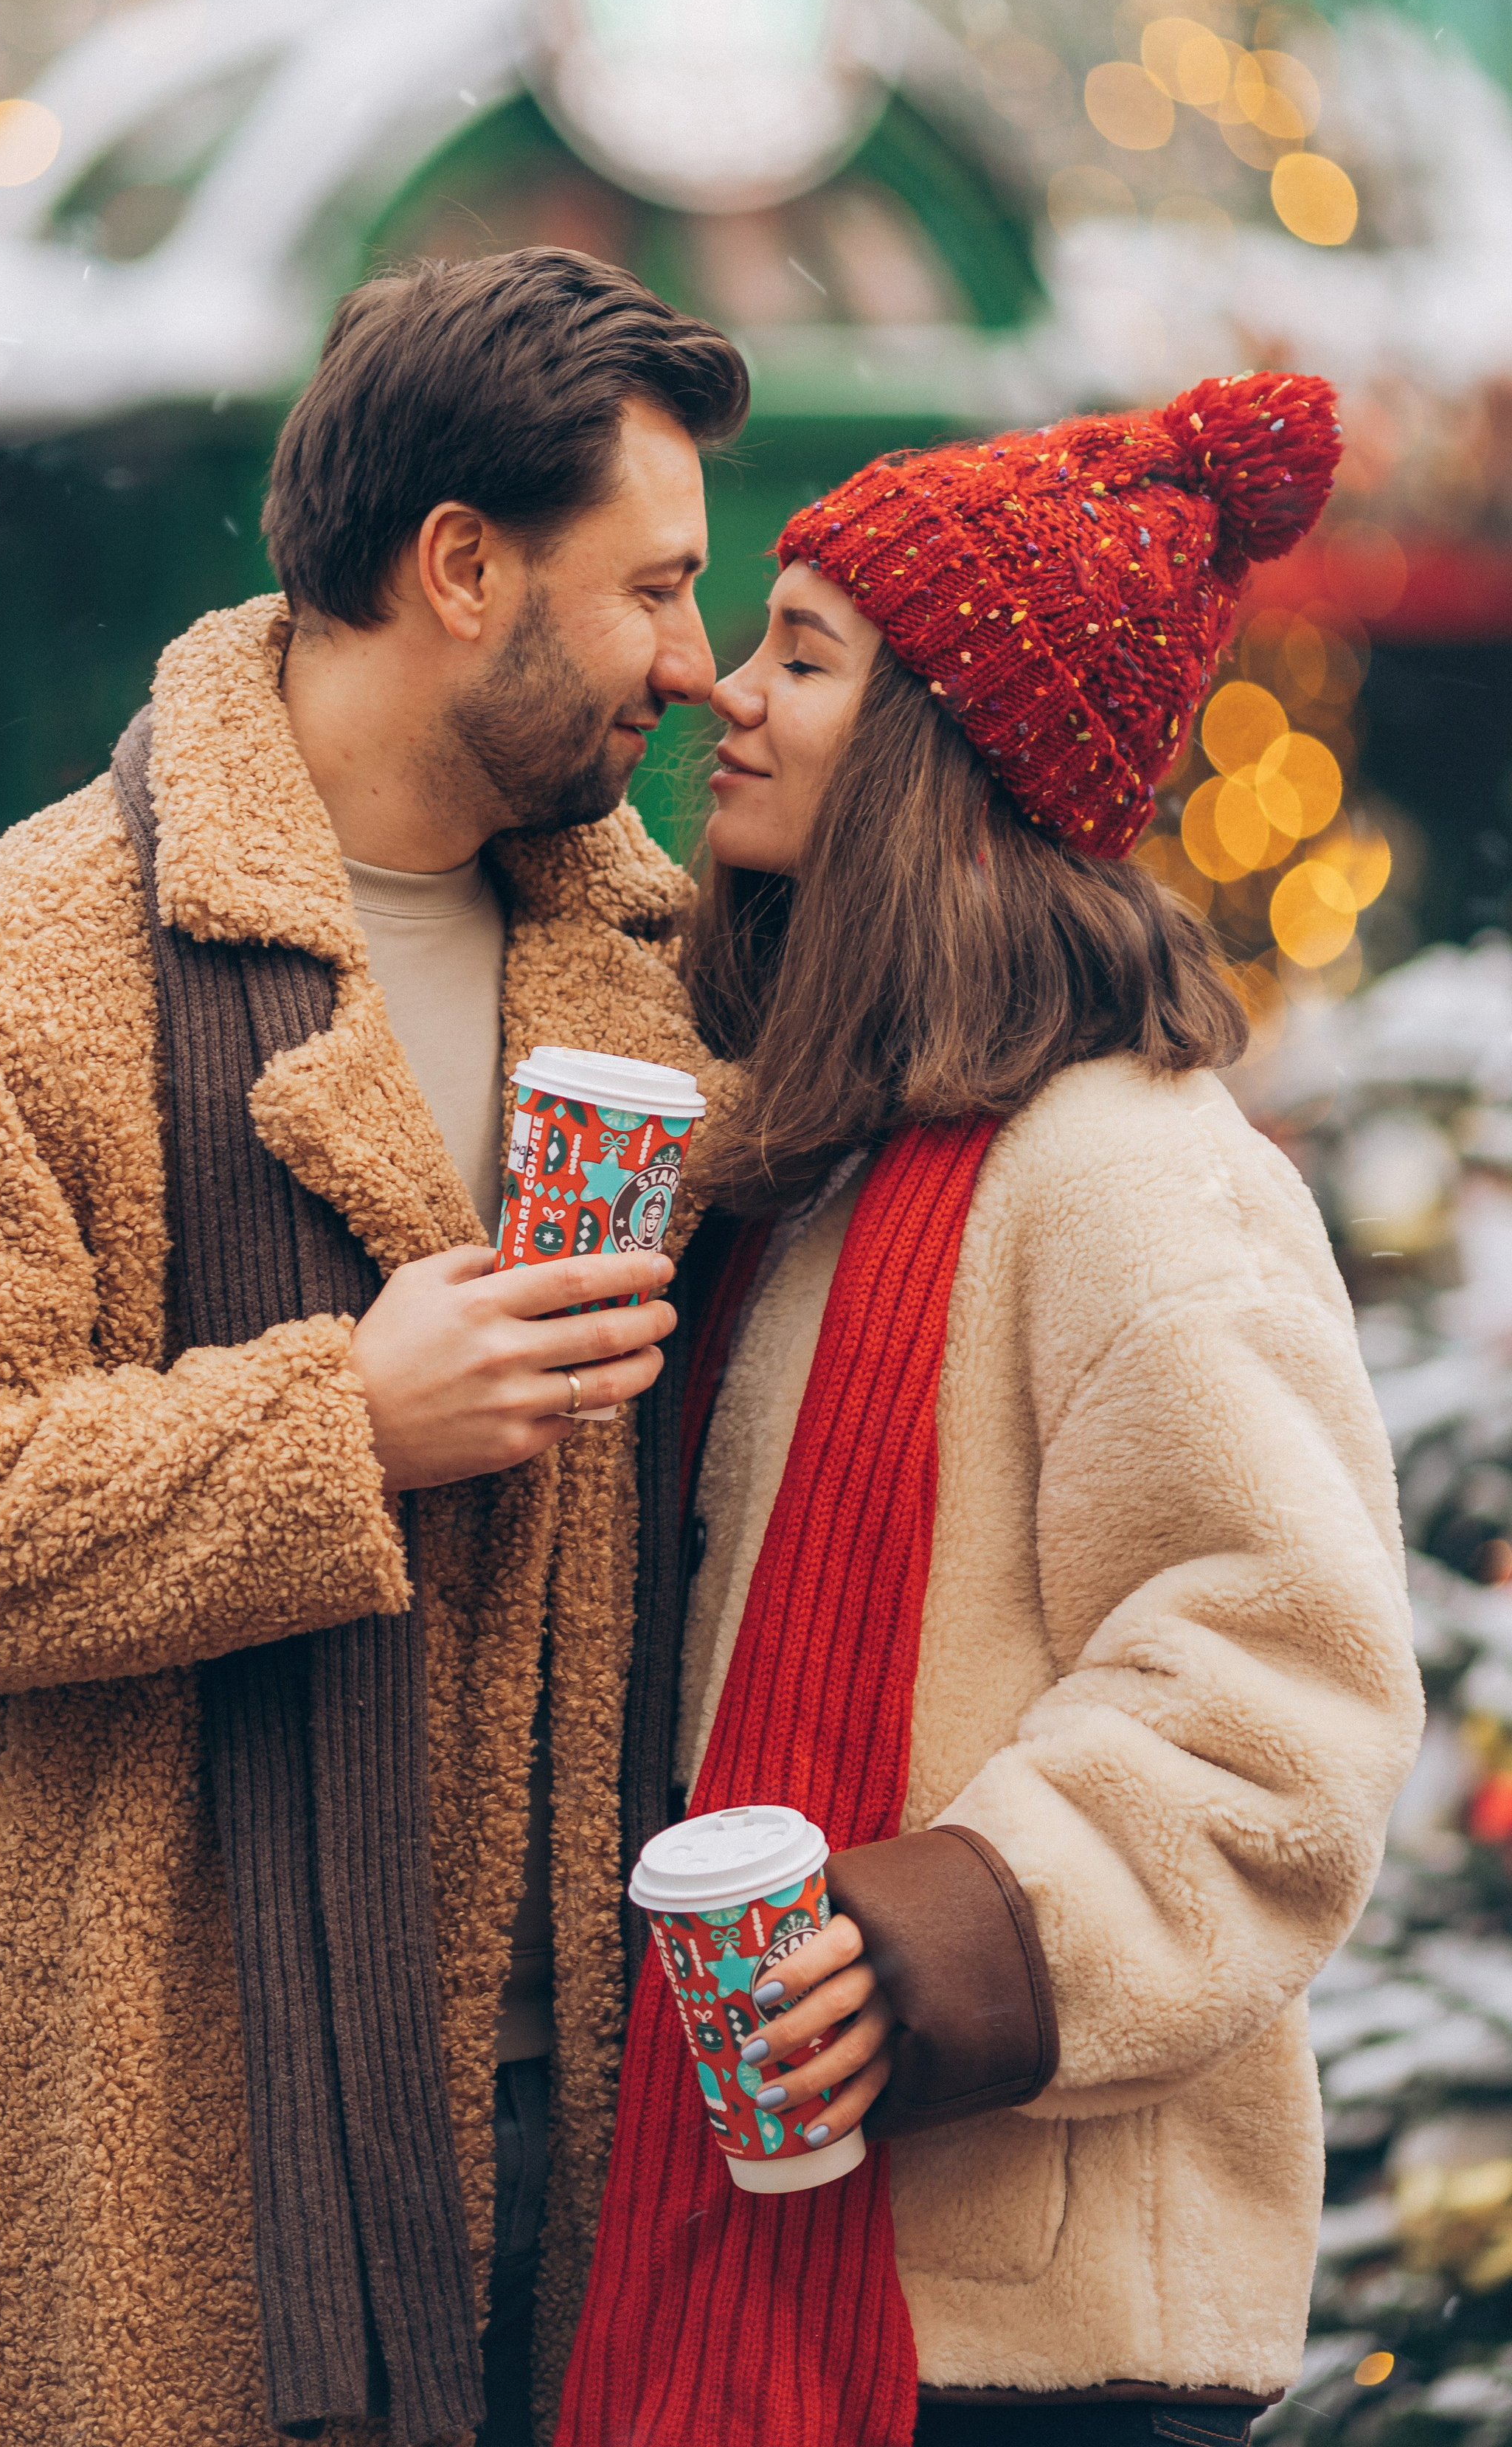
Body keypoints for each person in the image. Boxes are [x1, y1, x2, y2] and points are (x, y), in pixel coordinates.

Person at [0, 249, 749, 2447]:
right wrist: (345, 1424)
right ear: (457, 568)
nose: (696, 666)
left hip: (580, 2142)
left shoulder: (660, 973)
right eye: (656, 589)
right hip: (146, 2177)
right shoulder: (11, 981)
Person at [560, 373, 1426, 2446]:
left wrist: (942, 1934)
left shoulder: (1130, 1172)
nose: (726, 699)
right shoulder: (809, 1168)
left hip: (1030, 2336)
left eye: (804, 658)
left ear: (948, 745)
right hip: (789, 2271)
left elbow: (1280, 1696)